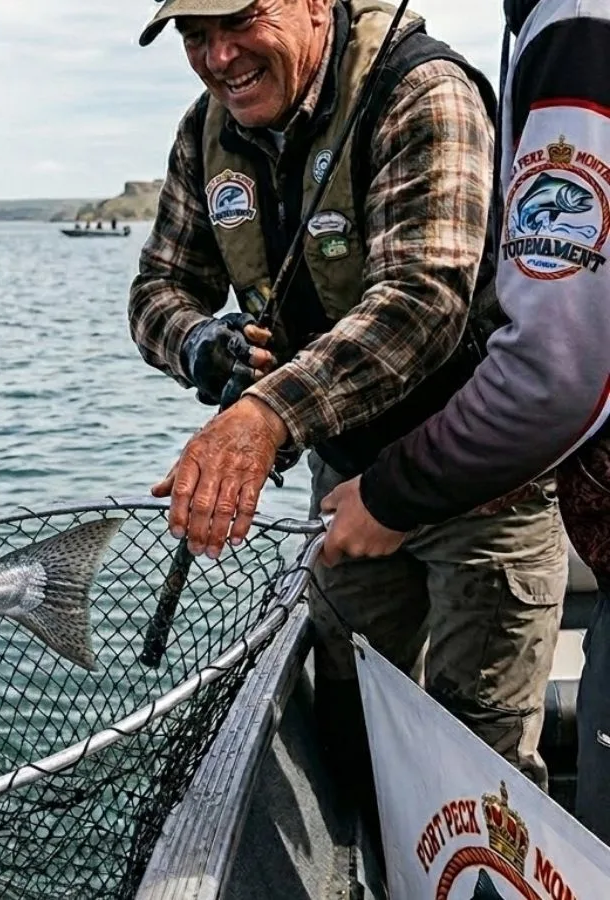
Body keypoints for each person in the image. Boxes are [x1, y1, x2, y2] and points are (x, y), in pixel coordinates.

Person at [128, 0, 568, 813]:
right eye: (195, 36)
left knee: (484, 760)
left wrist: (263, 416)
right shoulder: (206, 132)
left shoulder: (423, 90)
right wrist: (201, 344)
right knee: (348, 712)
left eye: (240, 22)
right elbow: (157, 290)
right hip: (343, 481)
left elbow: (422, 301)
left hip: (477, 480)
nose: (220, 57)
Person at [321, 0, 610, 842]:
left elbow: (555, 373)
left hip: (470, 491)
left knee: (498, 796)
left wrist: (391, 493)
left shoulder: (577, 26)